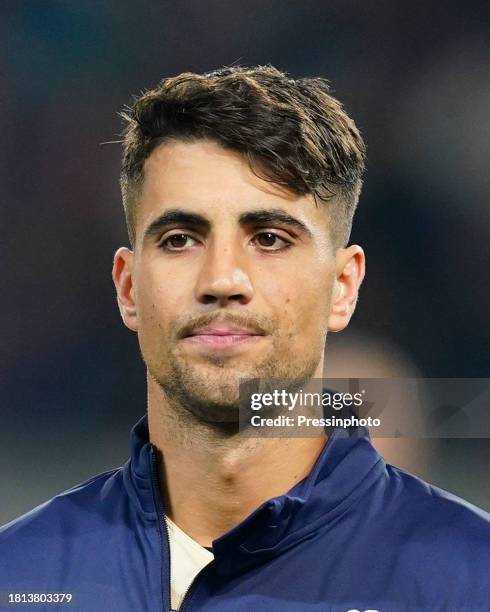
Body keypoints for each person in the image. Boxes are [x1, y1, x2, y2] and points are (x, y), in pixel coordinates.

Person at [0, 65, 488, 612]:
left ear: (343, 286)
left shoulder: (472, 581)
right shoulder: (16, 577)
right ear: (129, 287)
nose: (222, 280)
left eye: (271, 239)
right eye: (180, 239)